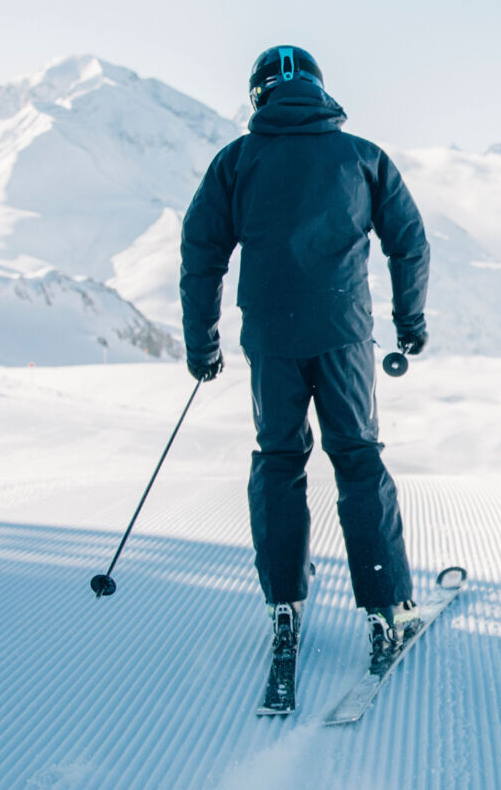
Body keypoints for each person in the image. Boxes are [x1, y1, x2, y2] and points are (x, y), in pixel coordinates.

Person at [180, 45, 429, 709]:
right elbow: (408, 240)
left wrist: (201, 342)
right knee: (356, 457)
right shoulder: (361, 156)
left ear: (259, 94)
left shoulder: (237, 161)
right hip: (343, 334)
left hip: (271, 336)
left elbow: (201, 251)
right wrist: (410, 321)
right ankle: (386, 610)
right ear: (318, 89)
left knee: (279, 458)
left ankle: (284, 606)